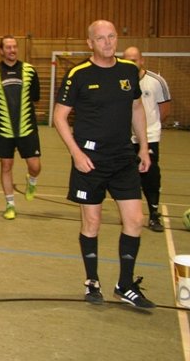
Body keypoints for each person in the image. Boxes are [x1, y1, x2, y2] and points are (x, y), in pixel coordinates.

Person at [53, 20, 154, 309]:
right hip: (90, 160)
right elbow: (60, 117)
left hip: (123, 157)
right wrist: (76, 153)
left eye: (111, 36)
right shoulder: (78, 74)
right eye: (101, 38)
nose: (108, 42)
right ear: (90, 43)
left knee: (135, 220)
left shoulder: (129, 70)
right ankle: (92, 281)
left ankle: (125, 285)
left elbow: (136, 107)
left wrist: (143, 147)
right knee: (92, 222)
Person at [0, 36, 42, 220]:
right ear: (1, 51)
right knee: (6, 166)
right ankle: (10, 205)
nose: (12, 50)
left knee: (35, 166)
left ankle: (31, 180)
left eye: (14, 47)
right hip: (4, 129)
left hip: (27, 128)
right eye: (8, 47)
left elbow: (35, 97)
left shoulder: (29, 71)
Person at [122, 46, 171, 232]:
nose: (130, 63)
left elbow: (164, 111)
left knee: (150, 175)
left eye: (134, 60)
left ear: (141, 60)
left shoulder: (156, 81)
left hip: (149, 137)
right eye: (126, 60)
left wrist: (147, 130)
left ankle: (154, 214)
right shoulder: (119, 80)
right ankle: (131, 214)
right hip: (124, 138)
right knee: (127, 176)